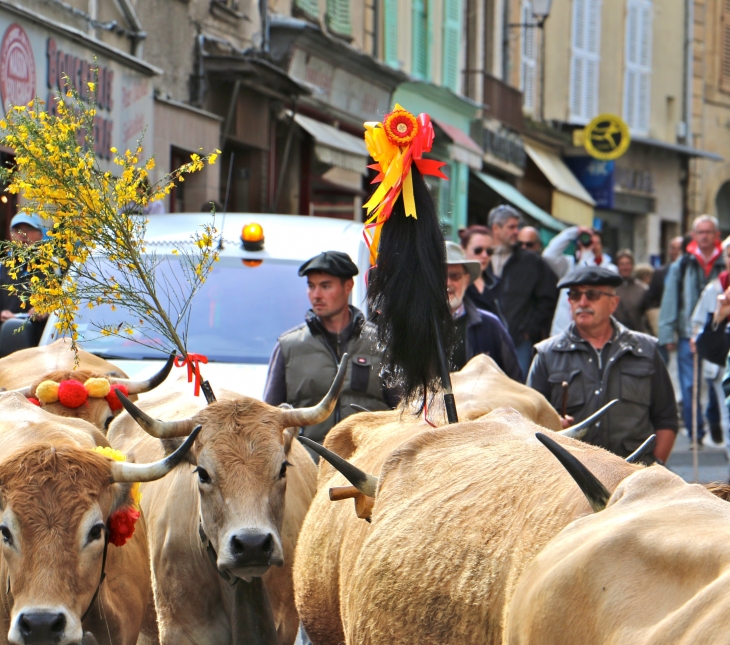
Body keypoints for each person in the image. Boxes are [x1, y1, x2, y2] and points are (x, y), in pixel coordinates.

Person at [528, 266, 678, 464]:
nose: (582, 302)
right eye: (575, 295)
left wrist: (655, 467)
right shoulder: (547, 354)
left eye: (592, 295)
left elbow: (666, 418)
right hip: (570, 477)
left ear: (613, 303)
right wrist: (551, 425)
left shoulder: (645, 350)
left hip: (635, 477)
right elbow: (527, 424)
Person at [263, 251, 395, 452]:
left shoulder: (380, 343)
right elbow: (268, 421)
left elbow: (402, 415)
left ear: (348, 286)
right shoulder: (288, 347)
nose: (316, 295)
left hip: (365, 468)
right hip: (308, 472)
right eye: (311, 286)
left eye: (325, 286)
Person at [659, 215, 724, 447]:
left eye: (709, 232)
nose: (705, 236)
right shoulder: (684, 263)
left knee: (719, 380)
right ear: (694, 235)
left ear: (716, 235)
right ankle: (695, 431)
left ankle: (714, 420)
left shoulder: (724, 260)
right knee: (689, 384)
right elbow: (670, 298)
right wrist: (667, 332)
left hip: (720, 333)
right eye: (701, 232)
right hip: (689, 331)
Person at [487, 205, 558, 379]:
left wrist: (529, 329)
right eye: (511, 227)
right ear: (496, 228)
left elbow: (549, 296)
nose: (516, 232)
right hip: (484, 340)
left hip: (519, 342)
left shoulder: (530, 261)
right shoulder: (481, 258)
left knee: (517, 393)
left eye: (517, 227)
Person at [445, 242, 522, 381]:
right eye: (439, 276)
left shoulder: (491, 325)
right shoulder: (413, 327)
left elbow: (515, 383)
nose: (447, 283)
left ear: (466, 280)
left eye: (454, 275)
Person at [691, 235, 730, 449]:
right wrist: (719, 315)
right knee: (727, 414)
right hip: (721, 363)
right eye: (729, 255)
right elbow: (699, 325)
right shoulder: (715, 289)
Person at [543, 226, 618, 336]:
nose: (592, 247)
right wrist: (574, 232)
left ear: (602, 247)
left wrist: (586, 255)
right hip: (563, 331)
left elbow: (587, 278)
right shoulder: (569, 265)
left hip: (592, 333)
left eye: (596, 243)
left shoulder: (610, 269)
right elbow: (548, 255)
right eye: (589, 242)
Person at [0, 213, 51, 344]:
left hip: (42, 343)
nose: (23, 235)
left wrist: (48, 310)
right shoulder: (3, 266)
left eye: (29, 229)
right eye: (17, 230)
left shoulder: (54, 266)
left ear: (41, 234)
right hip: (7, 342)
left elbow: (69, 304)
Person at [457, 225, 502, 320]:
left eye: (489, 251)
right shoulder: (455, 283)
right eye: (478, 250)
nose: (485, 255)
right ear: (462, 250)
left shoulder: (497, 283)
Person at [613, 249, 648, 333]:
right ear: (617, 266)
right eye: (622, 264)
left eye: (628, 264)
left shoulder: (642, 289)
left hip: (637, 335)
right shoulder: (611, 289)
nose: (625, 267)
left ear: (632, 266)